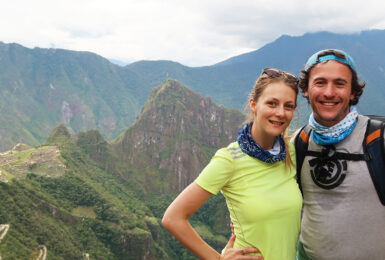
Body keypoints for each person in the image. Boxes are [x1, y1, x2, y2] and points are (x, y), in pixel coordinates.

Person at [162, 68, 302, 260]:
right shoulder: (230, 159)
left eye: (289, 106)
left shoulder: (291, 153)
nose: (280, 113)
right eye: (272, 103)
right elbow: (173, 218)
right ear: (254, 104)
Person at [295, 49, 385, 259]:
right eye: (320, 82)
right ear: (306, 90)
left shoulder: (377, 140)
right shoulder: (299, 143)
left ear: (353, 92)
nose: (329, 92)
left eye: (339, 83)